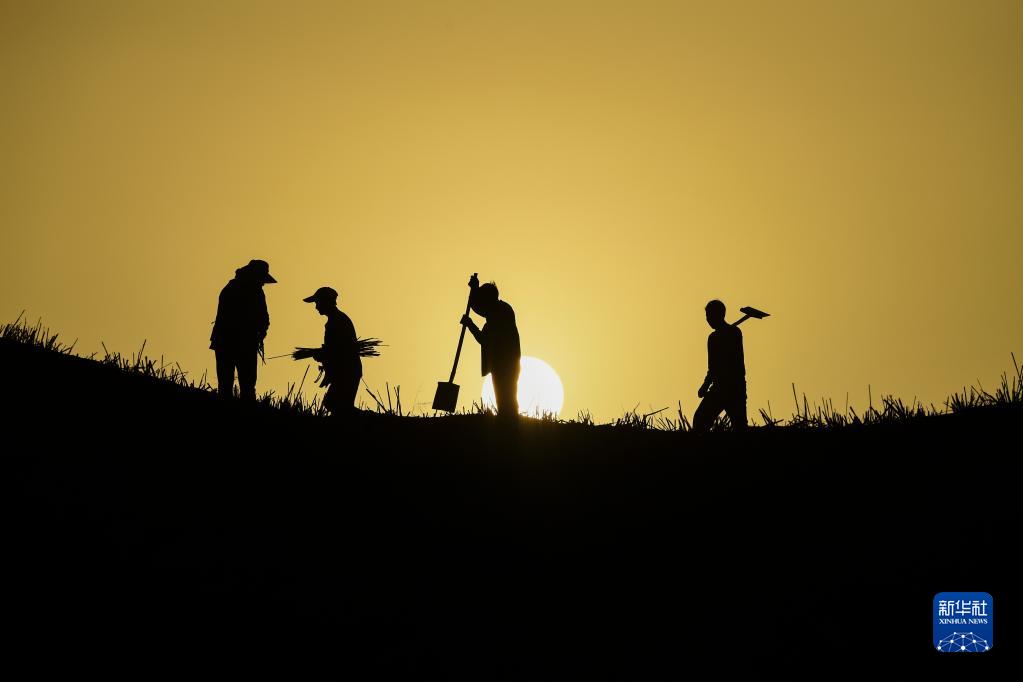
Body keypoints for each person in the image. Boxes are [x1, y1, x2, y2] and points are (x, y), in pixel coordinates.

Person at [210, 259, 275, 400]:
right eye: (261, 279)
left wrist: (260, 332)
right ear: (255, 277)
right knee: (246, 386)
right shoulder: (254, 292)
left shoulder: (230, 288)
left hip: (225, 342)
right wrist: (260, 334)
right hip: (240, 343)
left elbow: (263, 319)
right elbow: (264, 319)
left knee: (227, 385)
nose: (263, 283)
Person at [460, 274, 521, 417]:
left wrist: (470, 324)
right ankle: (508, 422)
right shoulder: (503, 310)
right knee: (505, 398)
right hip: (505, 363)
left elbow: (484, 339)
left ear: (488, 300)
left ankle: (509, 423)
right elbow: (480, 308)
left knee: (506, 398)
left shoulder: (499, 315)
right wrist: (474, 290)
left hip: (504, 364)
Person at [302, 286, 363, 415]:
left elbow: (339, 350)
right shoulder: (337, 320)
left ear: (325, 302)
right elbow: (337, 349)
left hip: (347, 370)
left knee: (338, 406)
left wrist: (322, 354)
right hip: (347, 370)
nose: (316, 307)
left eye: (317, 303)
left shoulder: (337, 321)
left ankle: (371, 421)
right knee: (336, 405)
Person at [693, 299, 747, 431]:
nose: (708, 319)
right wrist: (705, 385)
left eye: (709, 315)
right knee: (699, 420)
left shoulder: (734, 333)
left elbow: (737, 364)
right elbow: (712, 367)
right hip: (720, 388)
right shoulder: (713, 338)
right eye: (707, 316)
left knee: (739, 427)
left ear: (720, 315)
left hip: (734, 388)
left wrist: (706, 386)